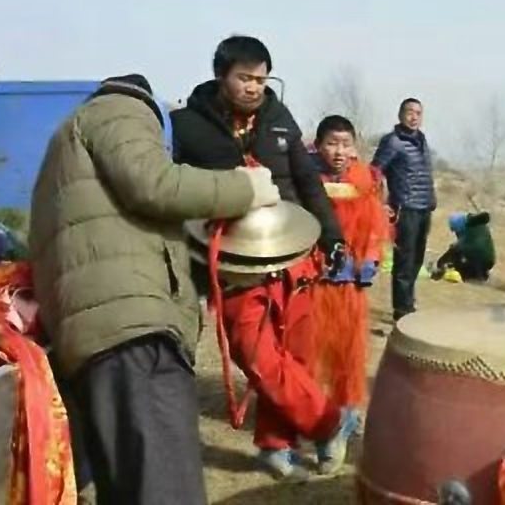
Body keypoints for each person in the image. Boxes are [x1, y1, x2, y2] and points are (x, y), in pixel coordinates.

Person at [29, 74, 279, 505]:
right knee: (168, 491)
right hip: (136, 338)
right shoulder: (120, 110)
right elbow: (155, 184)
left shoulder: (64, 150)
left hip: (101, 338)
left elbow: (130, 230)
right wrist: (246, 188)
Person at [171, 36, 357, 480]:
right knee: (256, 356)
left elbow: (309, 183)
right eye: (245, 78)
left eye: (262, 78)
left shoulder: (280, 118)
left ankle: (276, 444)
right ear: (221, 76)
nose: (255, 87)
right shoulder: (186, 126)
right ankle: (331, 422)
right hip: (233, 262)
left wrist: (331, 237)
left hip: (295, 257)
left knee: (294, 355)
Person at [311, 114, 389, 429]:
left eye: (346, 144)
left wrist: (368, 261)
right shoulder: (306, 183)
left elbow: (375, 228)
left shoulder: (365, 182)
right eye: (331, 143)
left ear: (355, 148)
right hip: (315, 284)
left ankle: (348, 411)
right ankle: (314, 412)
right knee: (313, 353)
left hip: (351, 285)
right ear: (318, 147)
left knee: (350, 354)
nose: (339, 152)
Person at [371, 97, 437, 321]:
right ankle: (402, 310)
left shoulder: (422, 140)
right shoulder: (392, 141)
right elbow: (375, 173)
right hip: (404, 208)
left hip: (423, 207)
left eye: (418, 113)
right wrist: (381, 203)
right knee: (404, 261)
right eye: (410, 112)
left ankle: (409, 302)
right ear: (400, 114)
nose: (414, 117)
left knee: (417, 260)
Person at [432, 211, 497, 282]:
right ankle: (482, 276)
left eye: (455, 230)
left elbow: (455, 250)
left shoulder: (468, 232)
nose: (456, 233)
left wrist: (440, 263)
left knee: (456, 260)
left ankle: (476, 278)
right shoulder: (479, 226)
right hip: (490, 261)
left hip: (477, 261)